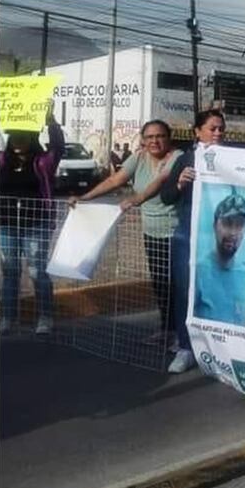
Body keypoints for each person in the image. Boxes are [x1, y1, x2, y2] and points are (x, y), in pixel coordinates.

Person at [70, 120, 183, 346]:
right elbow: (116, 180)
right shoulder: (139, 157)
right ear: (142, 140)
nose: (155, 141)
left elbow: (160, 181)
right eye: (149, 137)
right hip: (151, 231)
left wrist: (136, 199)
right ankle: (166, 330)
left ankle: (182, 335)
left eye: (160, 136)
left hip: (176, 233)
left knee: (178, 285)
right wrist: (84, 197)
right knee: (160, 283)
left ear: (169, 138)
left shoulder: (177, 157)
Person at [160, 108, 226, 373]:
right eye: (213, 128)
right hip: (188, 234)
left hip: (217, 237)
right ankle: (186, 347)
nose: (218, 133)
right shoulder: (186, 159)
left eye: (222, 129)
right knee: (186, 292)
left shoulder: (232, 158)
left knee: (217, 292)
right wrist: (179, 183)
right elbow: (166, 197)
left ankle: (219, 348)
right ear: (197, 131)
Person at [0, 112, 64, 335]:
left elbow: (58, 147)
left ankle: (45, 316)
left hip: (36, 224)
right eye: (14, 135)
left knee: (37, 271)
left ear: (32, 137)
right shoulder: (1, 160)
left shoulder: (43, 162)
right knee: (9, 271)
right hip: (6, 224)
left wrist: (51, 121)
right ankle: (8, 317)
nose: (18, 139)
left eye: (23, 135)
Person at [194, 188, 245, 326]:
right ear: (215, 226)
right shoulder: (198, 272)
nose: (233, 232)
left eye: (239, 225)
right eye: (227, 223)